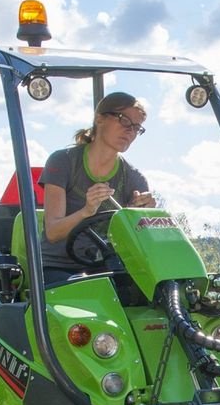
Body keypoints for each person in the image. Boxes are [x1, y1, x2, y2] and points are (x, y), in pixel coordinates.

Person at [38, 91, 158, 285]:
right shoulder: (63, 161)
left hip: (107, 267)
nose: (130, 131)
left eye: (137, 128)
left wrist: (145, 217)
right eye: (125, 121)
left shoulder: (135, 178)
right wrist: (87, 211)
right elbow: (53, 232)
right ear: (100, 118)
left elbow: (136, 242)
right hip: (58, 268)